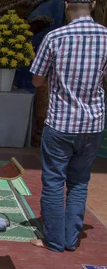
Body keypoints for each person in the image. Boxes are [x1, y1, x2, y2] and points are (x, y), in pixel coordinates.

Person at [30, 0, 106, 252]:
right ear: (93, 3)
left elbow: (37, 80)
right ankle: (71, 240)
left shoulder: (55, 37)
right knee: (79, 182)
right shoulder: (105, 37)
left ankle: (53, 241)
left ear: (66, 4)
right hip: (93, 123)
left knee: (53, 181)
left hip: (61, 122)